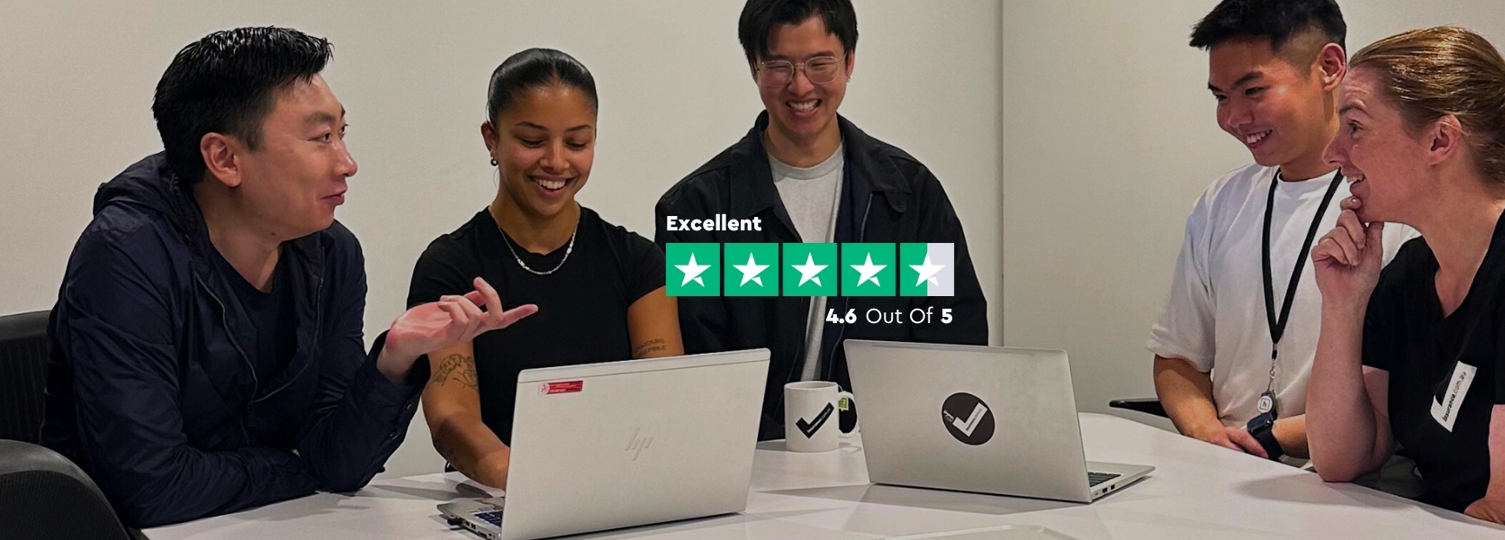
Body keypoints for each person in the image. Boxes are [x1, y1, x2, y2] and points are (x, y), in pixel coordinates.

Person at [40, 27, 536, 528]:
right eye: (321, 138)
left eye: (342, 132)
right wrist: (298, 467)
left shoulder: (332, 253)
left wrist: (393, 362)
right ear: (224, 159)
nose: (348, 163)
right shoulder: (125, 255)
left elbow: (339, 465)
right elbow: (151, 487)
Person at [1307, 26, 1505, 538]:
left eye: (1355, 127)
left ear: (1440, 140)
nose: (1332, 152)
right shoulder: (1411, 270)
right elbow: (1342, 459)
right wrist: (1343, 304)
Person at [655, 0, 988, 441]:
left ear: (849, 62)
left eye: (819, 64)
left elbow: (954, 339)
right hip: (751, 458)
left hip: (885, 455)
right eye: (779, 65)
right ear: (754, 67)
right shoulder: (698, 209)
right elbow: (698, 368)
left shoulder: (909, 196)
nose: (800, 85)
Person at [1147, 0, 1415, 462]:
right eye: (1220, 97)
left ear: (1329, 67)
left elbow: (1400, 398)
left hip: (1351, 481)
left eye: (1253, 91)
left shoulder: (1395, 210)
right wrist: (1209, 435)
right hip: (1226, 469)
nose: (1233, 118)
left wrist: (1266, 440)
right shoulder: (1221, 202)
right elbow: (1178, 358)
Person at [408, 48, 681, 489]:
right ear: (492, 139)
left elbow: (664, 397)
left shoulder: (637, 262)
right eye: (532, 141)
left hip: (618, 491)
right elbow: (451, 414)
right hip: (499, 497)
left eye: (577, 143)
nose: (556, 161)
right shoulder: (449, 267)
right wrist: (516, 475)